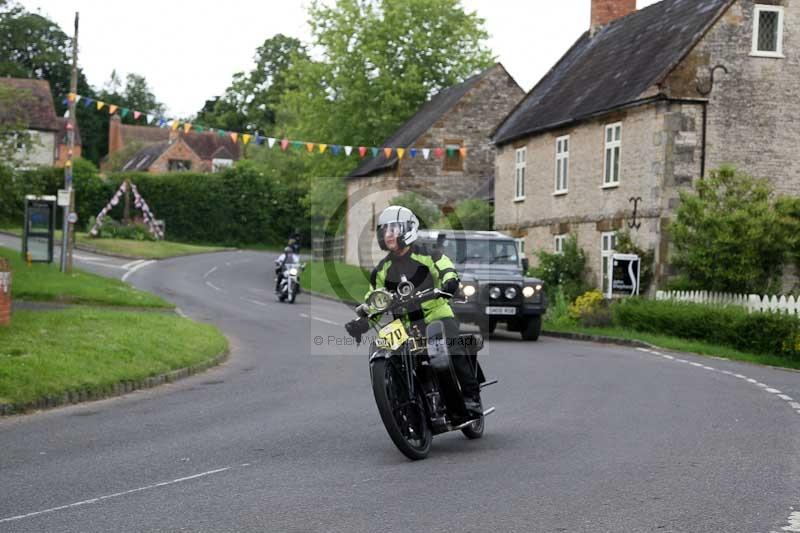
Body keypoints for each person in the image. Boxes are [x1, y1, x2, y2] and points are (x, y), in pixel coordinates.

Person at [345, 205, 482, 414]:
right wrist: (363, 322)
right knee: (384, 348)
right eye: (384, 230)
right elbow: (376, 302)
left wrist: (449, 284)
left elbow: (447, 270)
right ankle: (402, 403)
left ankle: (471, 396)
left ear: (409, 229)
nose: (388, 234)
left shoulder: (429, 255)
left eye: (394, 229)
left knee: (451, 346)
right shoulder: (381, 271)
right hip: (405, 325)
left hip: (436, 315)